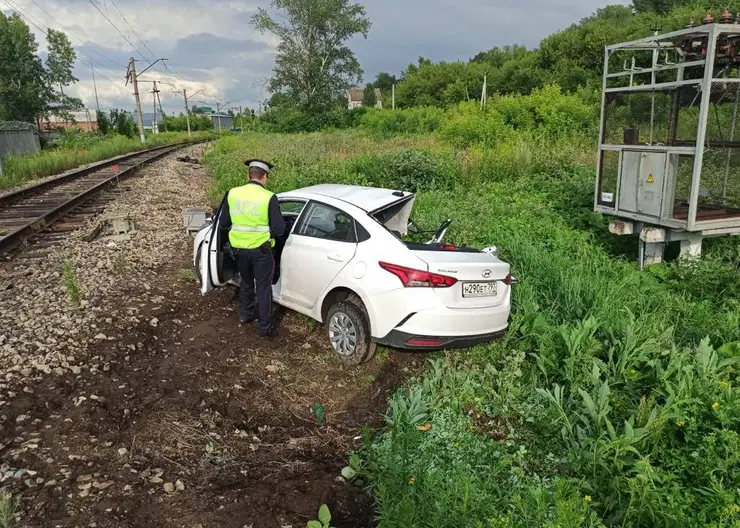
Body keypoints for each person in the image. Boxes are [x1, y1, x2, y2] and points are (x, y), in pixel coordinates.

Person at [221, 159, 285, 337]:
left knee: (246, 283)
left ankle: (245, 314)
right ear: (265, 176)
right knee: (263, 288)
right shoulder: (268, 197)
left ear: (248, 175)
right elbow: (280, 229)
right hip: (261, 251)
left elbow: (223, 222)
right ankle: (264, 328)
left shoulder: (233, 194)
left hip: (239, 250)